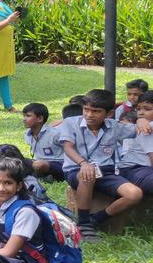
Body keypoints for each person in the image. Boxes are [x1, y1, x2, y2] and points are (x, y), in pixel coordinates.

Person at [60, 89, 150, 232]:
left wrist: (140, 119)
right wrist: (83, 164)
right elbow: (68, 147)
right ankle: (84, 223)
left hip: (106, 172)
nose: (89, 115)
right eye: (86, 110)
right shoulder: (71, 123)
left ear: (109, 114)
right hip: (77, 169)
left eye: (96, 111)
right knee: (89, 174)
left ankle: (96, 219)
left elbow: (137, 129)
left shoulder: (114, 126)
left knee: (134, 194)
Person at [118, 92, 153, 197]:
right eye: (139, 109)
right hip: (134, 169)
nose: (141, 113)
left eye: (147, 109)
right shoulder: (148, 127)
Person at [23, 103, 65, 181]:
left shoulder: (55, 134)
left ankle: (39, 177)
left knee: (39, 165)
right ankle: (45, 177)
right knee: (16, 161)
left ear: (40, 119)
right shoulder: (27, 134)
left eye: (28, 116)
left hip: (59, 164)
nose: (24, 119)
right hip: (38, 161)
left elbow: (71, 149)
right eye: (24, 116)